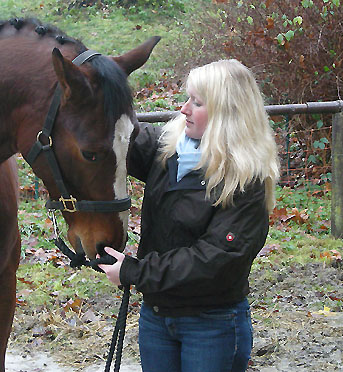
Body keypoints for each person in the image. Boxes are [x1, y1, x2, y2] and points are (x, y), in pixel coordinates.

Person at [98, 59, 280, 372]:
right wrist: (93, 83)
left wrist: (135, 272)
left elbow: (211, 260)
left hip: (212, 325)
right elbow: (119, 134)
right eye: (187, 99)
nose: (184, 109)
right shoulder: (168, 149)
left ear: (227, 112)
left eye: (196, 102)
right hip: (156, 318)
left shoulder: (246, 182)